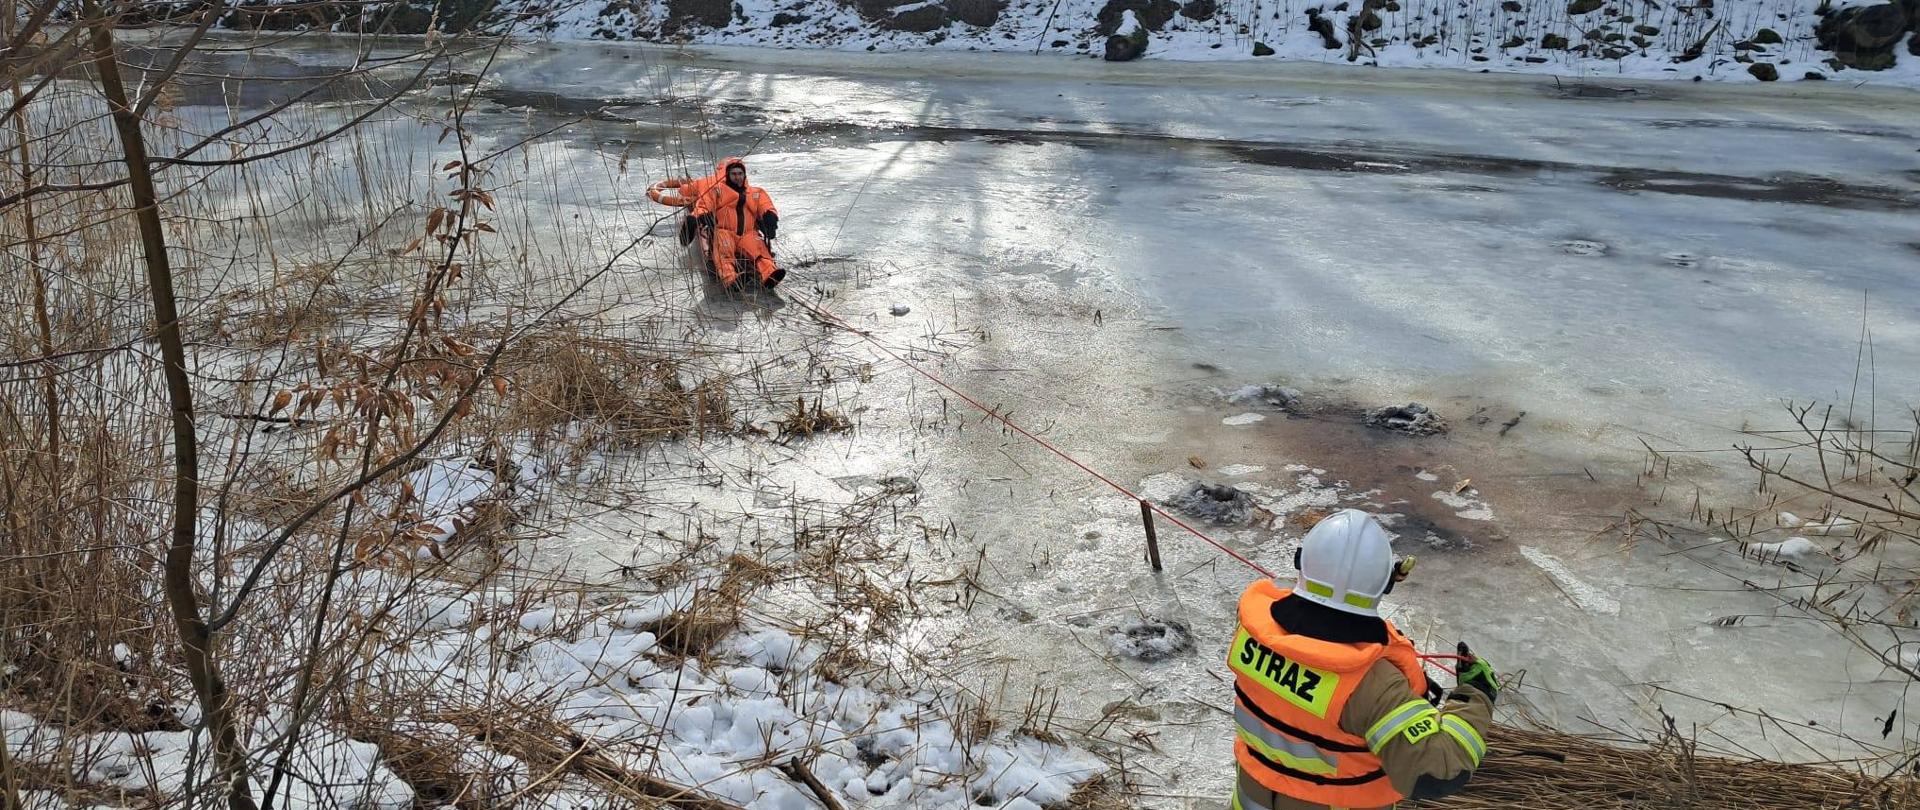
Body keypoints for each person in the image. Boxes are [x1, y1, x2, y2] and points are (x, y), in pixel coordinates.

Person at [1227, 509, 1497, 810]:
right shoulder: (1373, 686)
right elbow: (1437, 772)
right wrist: (1477, 697)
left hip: (1253, 797)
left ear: (1301, 560)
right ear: (1385, 585)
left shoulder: (1251, 633)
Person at [691, 157, 783, 290]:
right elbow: (705, 206)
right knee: (724, 254)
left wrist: (770, 216)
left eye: (740, 174)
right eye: (734, 174)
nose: (737, 177)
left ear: (744, 175)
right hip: (725, 232)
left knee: (759, 252)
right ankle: (731, 278)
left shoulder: (756, 192)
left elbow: (766, 206)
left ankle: (769, 274)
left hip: (748, 233)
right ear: (728, 175)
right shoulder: (717, 191)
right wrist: (698, 217)